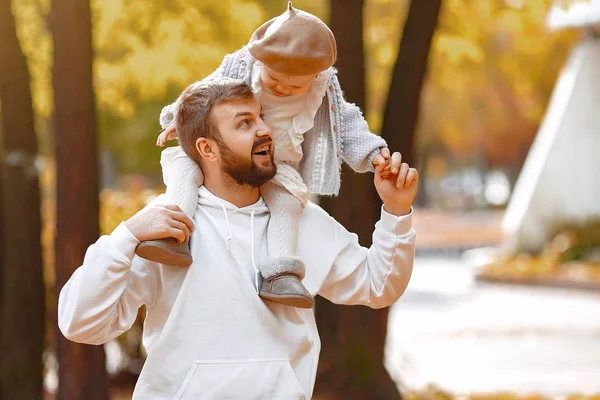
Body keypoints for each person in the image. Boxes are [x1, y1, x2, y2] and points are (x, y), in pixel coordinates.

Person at [58, 77, 418, 400]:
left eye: (261, 117)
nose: (264, 130)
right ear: (207, 149)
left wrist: (397, 210)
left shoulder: (299, 220)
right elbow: (81, 323)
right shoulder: (164, 227)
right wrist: (127, 236)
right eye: (245, 123)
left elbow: (378, 284)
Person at [135, 2, 391, 309]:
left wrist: (374, 152)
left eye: (294, 85)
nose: (282, 88)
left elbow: (348, 124)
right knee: (186, 169)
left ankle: (280, 272)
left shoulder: (324, 88)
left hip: (277, 162)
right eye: (273, 80)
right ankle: (171, 236)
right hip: (225, 151)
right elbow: (205, 93)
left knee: (286, 201)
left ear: (316, 76)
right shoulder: (241, 66)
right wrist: (180, 120)